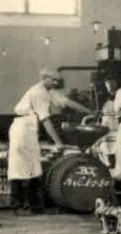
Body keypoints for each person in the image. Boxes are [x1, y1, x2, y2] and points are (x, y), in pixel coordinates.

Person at [7, 67, 93, 213]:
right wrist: (58, 142)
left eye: (57, 81)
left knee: (34, 168)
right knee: (21, 169)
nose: (56, 83)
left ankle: (34, 206)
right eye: (53, 80)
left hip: (30, 128)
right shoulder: (38, 92)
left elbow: (67, 102)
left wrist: (88, 111)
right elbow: (46, 120)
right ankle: (19, 205)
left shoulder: (49, 91)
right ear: (44, 79)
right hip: (23, 129)